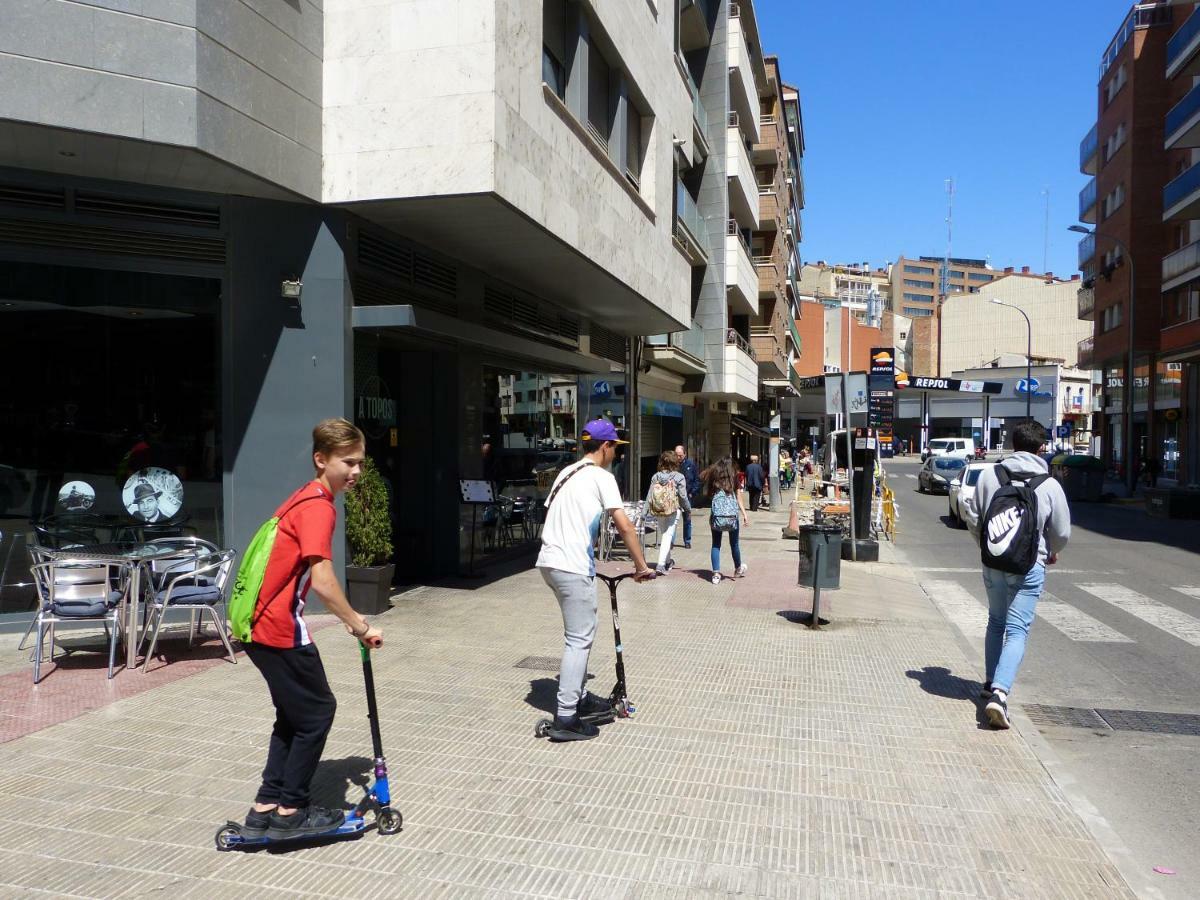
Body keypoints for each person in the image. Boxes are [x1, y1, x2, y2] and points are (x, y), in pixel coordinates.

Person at [240, 418, 384, 840]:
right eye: (348, 462)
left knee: (295, 715)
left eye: (360, 463)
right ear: (321, 460)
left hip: (258, 626)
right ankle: (291, 812)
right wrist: (359, 625)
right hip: (278, 627)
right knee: (317, 713)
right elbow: (323, 582)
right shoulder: (319, 507)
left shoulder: (302, 498)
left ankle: (266, 805)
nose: (356, 472)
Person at [537, 419, 653, 742]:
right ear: (604, 447)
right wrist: (642, 566)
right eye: (615, 447)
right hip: (571, 565)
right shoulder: (603, 477)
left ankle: (579, 694)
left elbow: (565, 518)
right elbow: (625, 527)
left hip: (549, 562)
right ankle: (566, 716)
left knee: (578, 629)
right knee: (579, 637)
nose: (616, 454)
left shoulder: (566, 473)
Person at [970, 420, 1070, 730]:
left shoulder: (991, 475)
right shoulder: (1049, 484)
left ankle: (989, 683)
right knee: (1017, 630)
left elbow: (975, 518)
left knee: (996, 621)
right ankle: (1000, 694)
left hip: (993, 563)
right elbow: (1062, 532)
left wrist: (990, 548)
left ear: (1013, 444)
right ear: (1042, 448)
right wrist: (1050, 550)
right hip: (1029, 566)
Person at [702, 456, 749, 585]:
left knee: (716, 544)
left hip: (717, 517)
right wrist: (745, 514)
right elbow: (739, 498)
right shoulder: (734, 479)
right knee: (734, 544)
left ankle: (716, 574)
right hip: (732, 517)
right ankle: (738, 568)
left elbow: (708, 494)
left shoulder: (714, 479)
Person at [645, 450, 691, 575]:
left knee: (665, 534)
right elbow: (682, 496)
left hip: (658, 510)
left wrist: (644, 512)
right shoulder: (679, 477)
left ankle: (668, 561)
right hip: (673, 510)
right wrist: (688, 509)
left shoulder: (656, 476)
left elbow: (649, 495)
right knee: (667, 535)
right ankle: (660, 565)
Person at [675, 444, 700, 549]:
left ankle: (687, 541)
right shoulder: (673, 465)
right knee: (673, 520)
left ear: (684, 454)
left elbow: (697, 480)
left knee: (687, 520)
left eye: (680, 455)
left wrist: (692, 493)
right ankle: (671, 541)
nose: (678, 457)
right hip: (674, 497)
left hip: (687, 496)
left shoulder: (691, 464)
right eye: (676, 455)